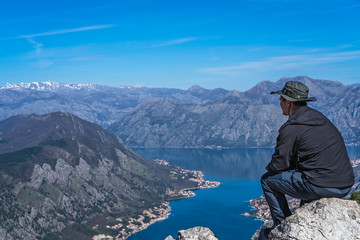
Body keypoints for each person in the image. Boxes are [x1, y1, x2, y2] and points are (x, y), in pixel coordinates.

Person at [261, 81, 355, 237]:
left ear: (288, 102)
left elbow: (280, 164)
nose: (279, 103)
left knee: (267, 181)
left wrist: (270, 168)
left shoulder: (291, 127)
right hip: (345, 185)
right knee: (306, 175)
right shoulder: (320, 119)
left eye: (281, 99)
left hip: (321, 185)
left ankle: (281, 226)